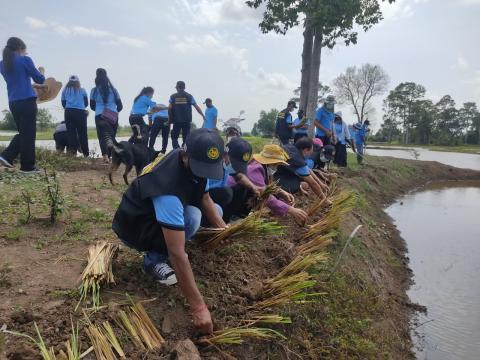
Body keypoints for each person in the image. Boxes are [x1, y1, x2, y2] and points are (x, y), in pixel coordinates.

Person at [112, 128, 226, 335]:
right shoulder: (167, 187)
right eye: (203, 168)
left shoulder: (195, 161)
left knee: (215, 211)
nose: (206, 174)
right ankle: (153, 260)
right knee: (192, 218)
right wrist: (199, 308)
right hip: (135, 226)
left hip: (156, 216)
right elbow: (177, 254)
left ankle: (164, 244)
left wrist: (224, 230)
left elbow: (205, 197)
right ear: (184, 156)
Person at [226, 144, 308, 226]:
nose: (276, 167)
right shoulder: (255, 169)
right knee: (252, 193)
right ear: (270, 162)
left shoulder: (262, 167)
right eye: (276, 164)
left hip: (232, 197)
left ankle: (238, 216)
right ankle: (233, 217)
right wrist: (290, 209)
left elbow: (267, 186)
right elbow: (265, 196)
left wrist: (281, 192)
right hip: (230, 199)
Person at [0, 37, 45, 172]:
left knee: (24, 133)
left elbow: (19, 79)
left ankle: (7, 157)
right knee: (28, 134)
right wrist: (41, 70)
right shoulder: (25, 60)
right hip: (27, 101)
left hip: (13, 102)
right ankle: (27, 166)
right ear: (20, 48)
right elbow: (40, 79)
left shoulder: (2, 64)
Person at [207, 137, 260, 213]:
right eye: (234, 164)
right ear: (226, 154)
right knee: (226, 193)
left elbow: (239, 177)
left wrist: (254, 188)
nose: (236, 168)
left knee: (244, 188)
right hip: (204, 196)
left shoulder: (226, 163)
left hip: (218, 198)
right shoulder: (210, 161)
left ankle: (230, 219)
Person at [90, 68, 123, 163]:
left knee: (102, 136)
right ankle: (111, 155)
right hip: (112, 114)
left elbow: (92, 106)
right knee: (111, 136)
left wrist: (99, 110)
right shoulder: (114, 90)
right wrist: (114, 112)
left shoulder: (94, 90)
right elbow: (120, 106)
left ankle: (105, 156)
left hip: (100, 114)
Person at [169, 81, 205, 149]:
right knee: (186, 137)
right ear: (184, 88)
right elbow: (196, 107)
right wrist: (202, 115)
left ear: (177, 87)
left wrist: (169, 119)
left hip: (177, 120)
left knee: (174, 137)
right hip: (187, 120)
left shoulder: (173, 96)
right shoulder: (189, 96)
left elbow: (169, 108)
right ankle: (184, 151)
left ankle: (176, 150)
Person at [61, 75, 89, 157]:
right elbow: (86, 103)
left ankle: (72, 154)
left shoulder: (65, 90)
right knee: (83, 134)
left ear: (69, 81)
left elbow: (63, 103)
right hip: (80, 112)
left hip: (69, 112)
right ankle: (86, 154)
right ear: (78, 81)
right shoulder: (82, 90)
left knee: (71, 134)